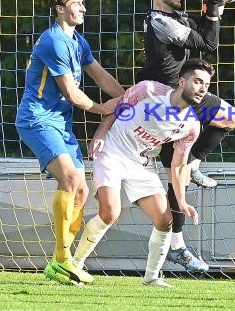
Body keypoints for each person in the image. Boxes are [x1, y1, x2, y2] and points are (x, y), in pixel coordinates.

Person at [15, 0, 125, 285]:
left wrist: (129, 98)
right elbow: (73, 93)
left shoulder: (77, 41)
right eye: (76, 4)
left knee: (81, 191)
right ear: (60, 8)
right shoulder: (53, 42)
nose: (83, 8)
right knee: (71, 179)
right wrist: (107, 109)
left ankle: (56, 263)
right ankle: (64, 259)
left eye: (82, 3)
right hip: (37, 119)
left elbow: (100, 75)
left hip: (60, 123)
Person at [72, 58, 214, 287]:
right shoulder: (148, 90)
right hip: (112, 150)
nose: (202, 88)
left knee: (165, 219)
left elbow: (178, 165)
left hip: (140, 162)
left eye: (206, 85)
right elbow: (118, 108)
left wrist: (182, 201)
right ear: (181, 81)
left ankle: (151, 277)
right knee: (110, 213)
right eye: (198, 81)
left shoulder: (191, 126)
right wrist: (99, 135)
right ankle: (74, 266)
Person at [134, 0, 235, 272]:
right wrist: (214, 9)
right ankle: (177, 246)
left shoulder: (179, 19)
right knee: (174, 174)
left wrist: (214, 5)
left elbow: (206, 36)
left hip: (184, 95)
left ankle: (193, 163)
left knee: (229, 117)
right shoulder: (160, 22)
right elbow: (208, 44)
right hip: (164, 105)